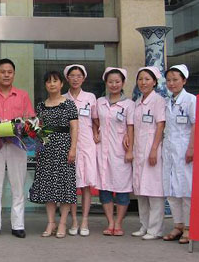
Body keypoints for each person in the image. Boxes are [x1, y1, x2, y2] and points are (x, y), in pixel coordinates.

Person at [0, 59, 34, 238]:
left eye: (9, 72)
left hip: (16, 145)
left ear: (14, 74)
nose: (6, 75)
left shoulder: (22, 96)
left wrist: (21, 133)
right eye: (2, 72)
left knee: (18, 186)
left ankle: (18, 225)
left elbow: (30, 120)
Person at [28, 71, 79, 238]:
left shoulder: (69, 104)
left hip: (64, 148)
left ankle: (63, 223)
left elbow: (74, 128)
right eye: (48, 81)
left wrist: (73, 149)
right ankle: (51, 222)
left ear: (61, 84)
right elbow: (37, 129)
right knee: (48, 187)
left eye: (55, 81)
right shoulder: (41, 106)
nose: (52, 84)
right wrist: (36, 148)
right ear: (45, 85)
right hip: (46, 149)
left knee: (64, 186)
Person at [93, 67, 134, 237]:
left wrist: (130, 150)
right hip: (103, 149)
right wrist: (96, 132)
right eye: (111, 82)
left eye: (117, 81)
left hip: (120, 151)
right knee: (104, 188)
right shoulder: (99, 102)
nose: (114, 85)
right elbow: (95, 120)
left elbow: (131, 127)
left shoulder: (129, 104)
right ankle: (110, 222)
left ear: (123, 83)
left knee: (122, 188)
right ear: (106, 83)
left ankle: (119, 223)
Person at [162, 64, 196, 244]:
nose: (171, 83)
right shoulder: (167, 101)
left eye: (175, 79)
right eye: (168, 80)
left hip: (184, 149)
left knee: (186, 188)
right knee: (171, 188)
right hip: (169, 149)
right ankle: (178, 225)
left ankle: (189, 227)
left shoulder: (191, 100)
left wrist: (192, 148)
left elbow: (196, 124)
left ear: (184, 80)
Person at [132, 66, 166, 240]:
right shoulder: (137, 102)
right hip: (139, 150)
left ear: (154, 82)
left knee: (154, 191)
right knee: (141, 190)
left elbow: (160, 125)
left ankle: (155, 229)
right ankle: (144, 225)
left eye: (147, 79)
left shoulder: (158, 101)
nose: (143, 82)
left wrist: (154, 149)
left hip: (152, 149)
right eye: (140, 79)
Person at [64, 64, 98, 236]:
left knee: (85, 185)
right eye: (72, 75)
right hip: (68, 145)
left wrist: (96, 133)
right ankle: (74, 221)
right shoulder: (63, 98)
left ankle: (84, 220)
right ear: (67, 78)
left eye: (79, 76)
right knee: (70, 184)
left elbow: (96, 119)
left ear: (83, 78)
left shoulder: (90, 97)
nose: (75, 79)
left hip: (87, 144)